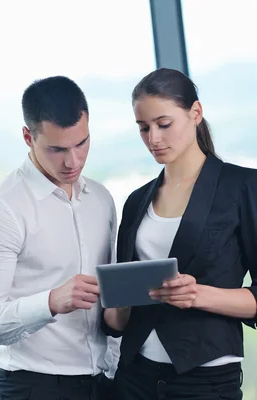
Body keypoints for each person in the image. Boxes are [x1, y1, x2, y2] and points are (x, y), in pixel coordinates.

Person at [0, 76, 119, 400]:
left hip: (102, 386)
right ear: (28, 137)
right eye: (57, 149)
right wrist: (50, 301)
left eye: (82, 143)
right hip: (31, 388)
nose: (72, 161)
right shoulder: (0, 209)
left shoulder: (101, 199)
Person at [102, 68, 257, 400]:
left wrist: (198, 295)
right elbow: (120, 310)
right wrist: (111, 306)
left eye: (164, 124)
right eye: (143, 128)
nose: (153, 139)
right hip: (134, 377)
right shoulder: (136, 201)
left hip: (206, 381)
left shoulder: (244, 187)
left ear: (196, 113)